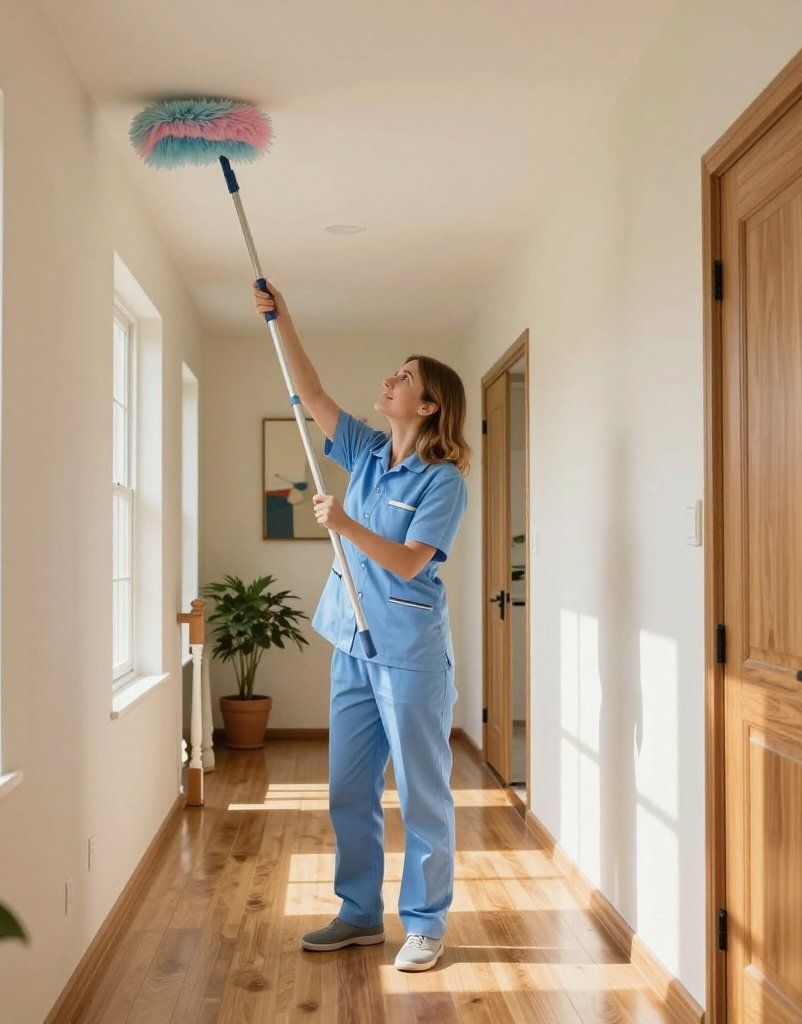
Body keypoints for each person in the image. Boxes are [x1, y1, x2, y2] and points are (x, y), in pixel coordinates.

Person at [252, 280, 471, 973]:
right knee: (349, 787)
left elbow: (410, 563)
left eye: (403, 378)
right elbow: (312, 395)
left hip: (409, 655)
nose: (390, 381)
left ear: (428, 404)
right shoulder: (370, 454)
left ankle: (427, 923)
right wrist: (282, 318)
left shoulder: (444, 481)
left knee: (421, 791)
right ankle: (357, 914)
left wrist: (344, 525)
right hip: (352, 642)